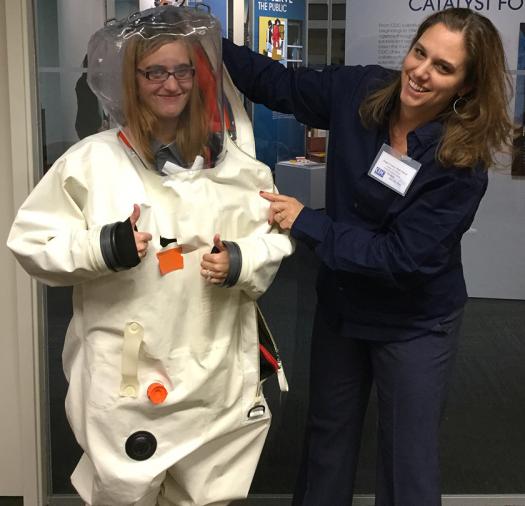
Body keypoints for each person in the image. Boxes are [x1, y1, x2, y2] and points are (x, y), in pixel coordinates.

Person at [222, 7, 513, 506]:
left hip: (414, 322)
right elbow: (279, 84)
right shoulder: (363, 91)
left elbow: (398, 258)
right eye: (419, 53)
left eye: (443, 67)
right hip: (344, 306)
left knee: (407, 463)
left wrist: (306, 220)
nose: (421, 72)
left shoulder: (460, 164)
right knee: (326, 444)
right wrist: (203, 41)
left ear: (465, 86)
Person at [7, 6, 293, 506]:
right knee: (124, 493)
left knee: (208, 495)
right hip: (131, 381)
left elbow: (274, 243)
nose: (171, 84)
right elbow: (32, 244)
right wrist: (103, 247)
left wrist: (242, 260)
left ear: (198, 76)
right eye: (155, 71)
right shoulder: (93, 164)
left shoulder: (237, 172)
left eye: (182, 70)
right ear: (130, 79)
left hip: (213, 371)